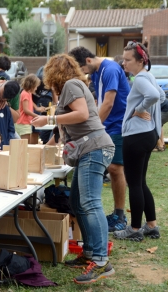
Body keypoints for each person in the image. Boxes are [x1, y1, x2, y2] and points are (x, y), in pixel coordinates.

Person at [32, 54, 115, 284]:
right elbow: (70, 122)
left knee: (90, 203)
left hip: (94, 148)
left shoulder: (71, 85)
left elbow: (82, 115)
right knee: (78, 203)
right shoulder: (73, 86)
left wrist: (48, 121)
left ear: (53, 73)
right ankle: (89, 252)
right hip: (91, 149)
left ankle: (100, 262)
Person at [69, 46, 130, 232]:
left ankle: (120, 215)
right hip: (108, 124)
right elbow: (98, 100)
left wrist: (94, 128)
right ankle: (114, 214)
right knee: (111, 168)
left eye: (82, 70)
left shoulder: (110, 69)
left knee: (116, 168)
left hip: (118, 124)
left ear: (87, 61)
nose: (83, 74)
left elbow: (109, 102)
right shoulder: (96, 72)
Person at [113, 41, 163, 242]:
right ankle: (151, 225)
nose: (124, 63)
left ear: (140, 60)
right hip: (148, 134)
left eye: (127, 60)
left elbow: (153, 95)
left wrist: (139, 109)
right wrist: (144, 108)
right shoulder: (148, 76)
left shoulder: (141, 78)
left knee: (134, 183)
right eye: (123, 59)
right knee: (141, 182)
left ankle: (134, 229)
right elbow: (161, 94)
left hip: (136, 136)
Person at [16, 74, 46, 143]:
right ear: (31, 85)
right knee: (25, 144)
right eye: (35, 87)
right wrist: (37, 116)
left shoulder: (28, 93)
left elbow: (30, 101)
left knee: (27, 143)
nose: (36, 89)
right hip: (23, 122)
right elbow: (26, 110)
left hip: (27, 122)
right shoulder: (25, 94)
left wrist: (37, 108)